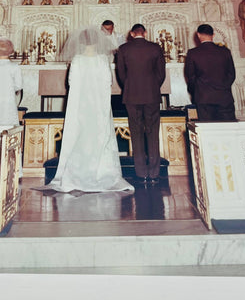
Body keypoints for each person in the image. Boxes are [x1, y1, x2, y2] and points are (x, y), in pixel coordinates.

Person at [47, 26, 134, 193]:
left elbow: (71, 82)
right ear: (98, 41)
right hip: (98, 103)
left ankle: (77, 173)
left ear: (80, 42)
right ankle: (103, 172)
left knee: (80, 134)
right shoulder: (102, 59)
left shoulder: (77, 60)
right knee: (100, 133)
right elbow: (108, 82)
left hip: (80, 104)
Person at [116, 23, 166, 185]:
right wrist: (152, 86)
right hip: (151, 94)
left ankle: (141, 172)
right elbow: (161, 73)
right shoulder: (155, 48)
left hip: (132, 95)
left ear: (131, 33)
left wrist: (130, 86)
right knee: (152, 132)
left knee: (136, 133)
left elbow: (121, 74)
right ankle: (154, 172)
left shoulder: (123, 49)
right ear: (145, 32)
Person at [184, 24, 236, 122]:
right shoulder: (225, 52)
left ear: (198, 35)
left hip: (204, 98)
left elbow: (190, 77)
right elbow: (231, 74)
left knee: (208, 131)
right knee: (228, 130)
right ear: (213, 34)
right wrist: (224, 87)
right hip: (224, 97)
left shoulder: (193, 53)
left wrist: (197, 92)